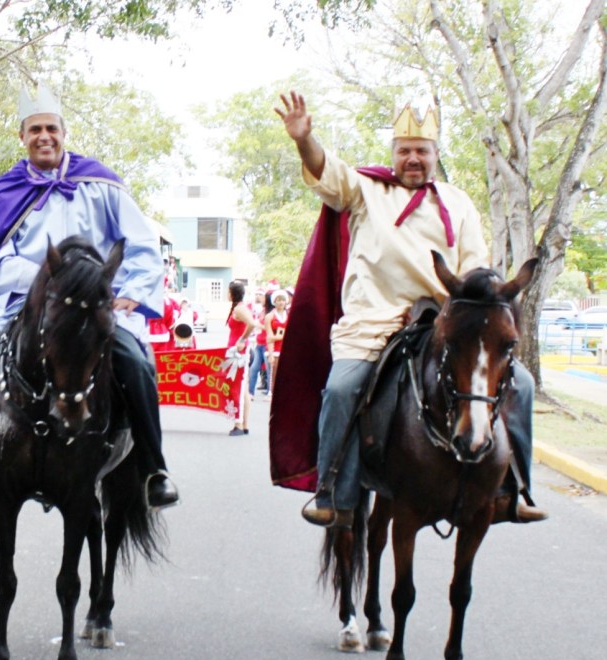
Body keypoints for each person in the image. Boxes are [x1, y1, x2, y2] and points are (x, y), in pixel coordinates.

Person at [272, 91, 546, 528]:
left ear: (436, 154)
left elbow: (474, 270)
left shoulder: (459, 203)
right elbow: (326, 170)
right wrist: (304, 139)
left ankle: (512, 488)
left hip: (440, 324)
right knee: (342, 389)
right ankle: (333, 492)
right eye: (405, 151)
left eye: (422, 151)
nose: (413, 159)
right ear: (393, 154)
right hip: (371, 325)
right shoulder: (366, 189)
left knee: (523, 384)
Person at [0, 83, 179, 524]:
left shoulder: (102, 184)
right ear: (22, 137)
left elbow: (143, 247)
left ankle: (154, 468)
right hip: (26, 308)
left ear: (64, 132)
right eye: (34, 129)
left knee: (134, 361)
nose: (44, 136)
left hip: (96, 306)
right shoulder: (5, 192)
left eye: (51, 128)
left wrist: (132, 292)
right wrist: (47, 283)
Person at [225, 280, 261, 435]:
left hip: (239, 352)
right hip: (235, 350)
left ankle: (239, 424)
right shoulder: (238, 308)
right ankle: (244, 423)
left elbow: (252, 323)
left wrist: (242, 339)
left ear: (232, 293)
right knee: (243, 389)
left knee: (237, 387)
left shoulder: (240, 309)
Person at [264, 288, 290, 395]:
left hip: (287, 350)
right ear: (274, 302)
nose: (280, 302)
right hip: (275, 350)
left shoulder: (289, 315)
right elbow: (269, 337)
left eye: (282, 300)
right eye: (278, 300)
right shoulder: (269, 317)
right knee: (274, 375)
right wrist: (270, 354)